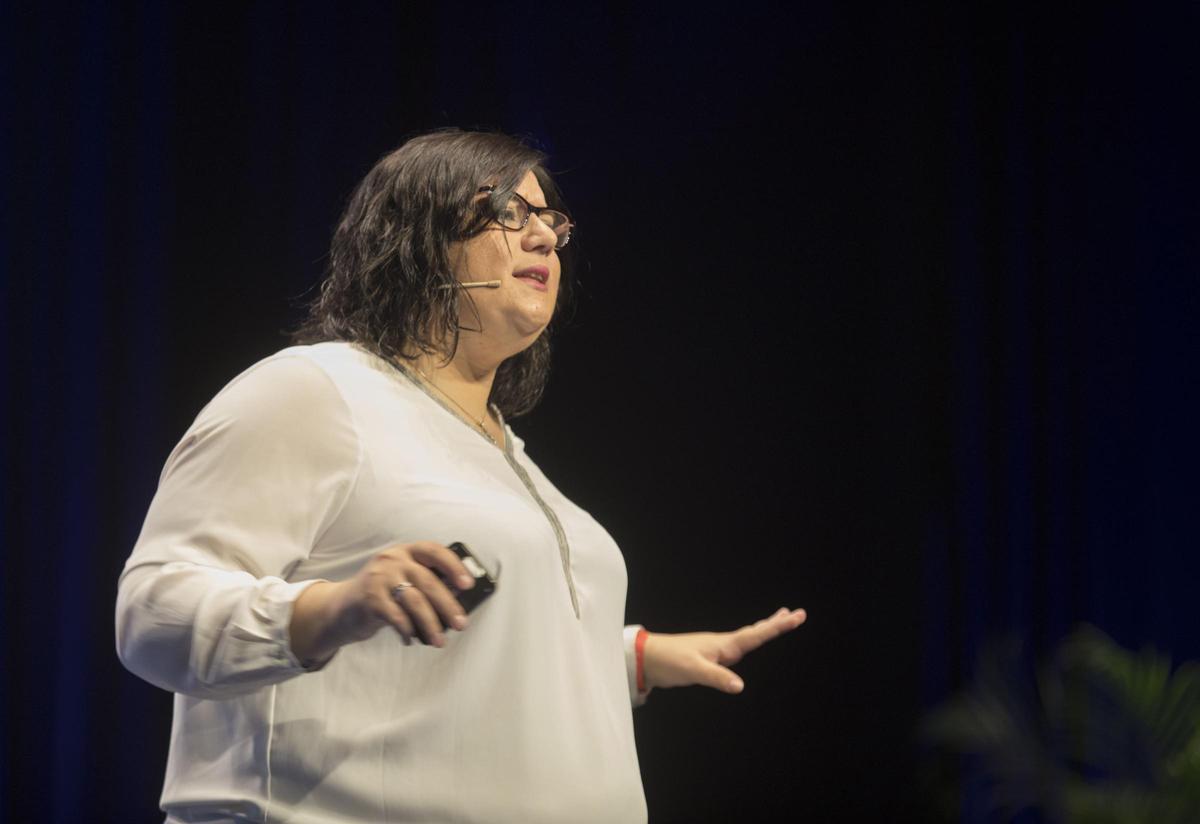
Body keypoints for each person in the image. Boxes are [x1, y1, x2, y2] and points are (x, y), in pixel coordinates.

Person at [115, 128, 807, 824]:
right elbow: (152, 614)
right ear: (416, 239)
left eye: (549, 221)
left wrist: (627, 656)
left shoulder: (503, 450)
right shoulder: (313, 391)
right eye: (510, 213)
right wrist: (333, 607)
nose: (543, 238)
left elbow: (457, 653)